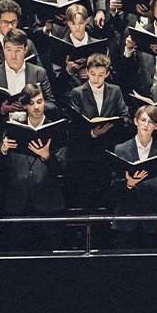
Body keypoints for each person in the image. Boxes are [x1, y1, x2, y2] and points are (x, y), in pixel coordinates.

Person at [0, 85, 66, 251]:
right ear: (25, 106)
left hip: (47, 204)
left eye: (39, 102)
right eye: (32, 103)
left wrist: (47, 156)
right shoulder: (13, 129)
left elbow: (63, 168)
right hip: (17, 203)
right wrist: (3, 151)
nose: (36, 107)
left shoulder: (57, 129)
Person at [63, 54, 128, 211]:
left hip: (108, 150)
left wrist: (112, 125)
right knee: (87, 198)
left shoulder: (115, 91)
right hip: (85, 154)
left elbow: (125, 117)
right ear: (87, 71)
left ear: (107, 73)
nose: (96, 79)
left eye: (100, 75)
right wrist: (92, 133)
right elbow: (72, 124)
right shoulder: (77, 92)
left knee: (107, 198)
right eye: (92, 74)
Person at [110, 105, 157, 249]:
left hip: (153, 219)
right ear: (135, 121)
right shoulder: (121, 149)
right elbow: (113, 186)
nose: (146, 125)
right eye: (143, 120)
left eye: (151, 122)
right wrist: (129, 184)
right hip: (126, 218)